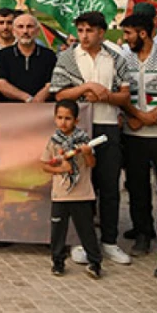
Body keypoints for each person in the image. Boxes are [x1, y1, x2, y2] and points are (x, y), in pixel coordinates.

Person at [49, 10, 134, 265]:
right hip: (77, 130)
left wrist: (106, 95)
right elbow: (59, 93)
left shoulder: (116, 59)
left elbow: (125, 96)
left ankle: (109, 241)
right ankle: (79, 242)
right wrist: (86, 88)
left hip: (107, 127)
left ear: (101, 32)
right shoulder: (67, 57)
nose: (84, 36)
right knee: (80, 187)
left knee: (109, 186)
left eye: (89, 30)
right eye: (81, 30)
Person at [118, 14, 157, 255]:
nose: (124, 38)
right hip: (132, 131)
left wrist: (152, 116)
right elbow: (121, 93)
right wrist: (134, 115)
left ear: (142, 33)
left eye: (128, 33)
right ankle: (143, 233)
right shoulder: (124, 56)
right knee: (137, 186)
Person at [41, 99, 102, 279]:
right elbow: (45, 165)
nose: (63, 122)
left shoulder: (84, 140)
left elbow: (92, 164)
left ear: (76, 120)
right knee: (58, 231)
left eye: (68, 118)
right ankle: (58, 262)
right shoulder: (54, 141)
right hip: (60, 195)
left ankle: (95, 262)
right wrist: (61, 169)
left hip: (82, 194)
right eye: (59, 117)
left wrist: (88, 153)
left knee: (86, 230)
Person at [0, 12, 56, 103]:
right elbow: (2, 84)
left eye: (29, 26)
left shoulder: (49, 55)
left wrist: (36, 100)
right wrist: (27, 98)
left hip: (42, 109)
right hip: (9, 110)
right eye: (20, 27)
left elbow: (51, 84)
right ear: (14, 32)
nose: (25, 31)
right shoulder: (3, 55)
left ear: (37, 31)